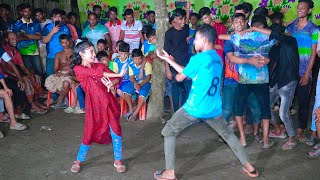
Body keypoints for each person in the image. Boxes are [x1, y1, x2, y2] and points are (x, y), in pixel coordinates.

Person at [154, 24, 259, 180]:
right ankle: (249, 167)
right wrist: (170, 60)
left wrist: (168, 62)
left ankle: (169, 172)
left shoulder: (198, 58)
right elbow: (195, 74)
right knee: (228, 135)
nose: (194, 42)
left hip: (194, 108)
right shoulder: (217, 58)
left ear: (203, 40)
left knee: (168, 132)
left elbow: (179, 77)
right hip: (214, 108)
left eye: (196, 39)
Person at [219, 14, 275, 148]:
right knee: (257, 108)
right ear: (233, 24)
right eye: (236, 22)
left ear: (246, 23)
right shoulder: (260, 37)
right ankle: (262, 139)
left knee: (248, 108)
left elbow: (222, 38)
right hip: (240, 79)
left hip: (245, 79)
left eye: (241, 21)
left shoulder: (236, 38)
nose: (239, 24)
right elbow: (276, 37)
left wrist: (267, 59)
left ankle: (250, 138)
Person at [70, 40, 126, 173]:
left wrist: (113, 82)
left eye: (93, 50)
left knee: (116, 130)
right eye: (91, 51)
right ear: (81, 54)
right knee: (89, 132)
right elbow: (98, 74)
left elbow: (118, 80)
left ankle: (118, 160)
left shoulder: (99, 65)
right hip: (94, 107)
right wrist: (118, 74)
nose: (94, 53)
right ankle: (79, 160)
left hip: (109, 103)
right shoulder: (78, 69)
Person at [250, 25, 300, 150]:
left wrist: (255, 29)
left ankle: (292, 138)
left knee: (283, 114)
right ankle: (279, 129)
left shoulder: (291, 41)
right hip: (276, 81)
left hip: (288, 82)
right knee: (266, 108)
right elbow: (271, 62)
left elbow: (276, 35)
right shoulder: (275, 47)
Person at [286, 0, 318, 143]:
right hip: (290, 71)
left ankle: (300, 130)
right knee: (287, 101)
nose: (299, 10)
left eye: (303, 8)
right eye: (298, 7)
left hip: (305, 71)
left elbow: (313, 54)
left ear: (309, 10)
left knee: (303, 103)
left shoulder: (314, 29)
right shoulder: (291, 27)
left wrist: (307, 74)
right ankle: (287, 130)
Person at [2, 32, 46, 114]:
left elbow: (22, 66)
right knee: (26, 82)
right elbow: (5, 70)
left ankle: (35, 101)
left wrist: (30, 74)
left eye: (16, 38)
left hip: (16, 74)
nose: (15, 40)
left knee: (36, 77)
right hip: (6, 76)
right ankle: (32, 105)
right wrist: (20, 77)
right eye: (12, 39)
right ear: (6, 40)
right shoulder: (5, 50)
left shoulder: (15, 50)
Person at [164, 8, 191, 112]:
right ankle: (176, 113)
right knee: (175, 90)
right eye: (181, 19)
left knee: (187, 89)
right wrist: (167, 70)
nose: (183, 21)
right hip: (173, 65)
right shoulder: (169, 34)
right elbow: (165, 53)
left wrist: (187, 7)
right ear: (174, 19)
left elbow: (188, 19)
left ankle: (186, 112)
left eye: (184, 19)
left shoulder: (186, 28)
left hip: (186, 64)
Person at [13, 3, 43, 77]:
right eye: (25, 11)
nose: (28, 13)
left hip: (34, 51)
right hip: (22, 51)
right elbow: (16, 38)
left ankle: (41, 87)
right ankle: (34, 88)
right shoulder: (17, 24)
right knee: (29, 72)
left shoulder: (35, 23)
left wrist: (25, 35)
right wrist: (32, 36)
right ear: (22, 12)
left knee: (39, 71)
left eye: (29, 11)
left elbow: (39, 37)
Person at [45, 34, 75, 110]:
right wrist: (58, 73)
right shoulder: (58, 54)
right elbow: (55, 68)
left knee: (66, 83)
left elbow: (77, 67)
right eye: (63, 42)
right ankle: (64, 96)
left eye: (67, 42)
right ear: (60, 43)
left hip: (71, 74)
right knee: (48, 81)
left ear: (69, 41)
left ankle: (60, 99)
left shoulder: (75, 52)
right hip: (61, 74)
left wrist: (70, 73)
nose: (66, 44)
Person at [123, 49, 152, 121]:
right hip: (136, 82)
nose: (138, 61)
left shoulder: (147, 64)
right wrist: (135, 83)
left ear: (142, 58)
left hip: (145, 82)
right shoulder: (131, 65)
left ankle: (135, 113)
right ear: (132, 58)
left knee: (142, 93)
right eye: (135, 59)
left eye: (139, 59)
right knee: (126, 90)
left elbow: (148, 77)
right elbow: (131, 77)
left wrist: (140, 85)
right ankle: (130, 108)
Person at [42, 8, 71, 77]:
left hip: (64, 56)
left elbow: (69, 41)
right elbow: (44, 41)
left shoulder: (65, 27)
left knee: (66, 75)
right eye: (55, 17)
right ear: (52, 18)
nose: (58, 19)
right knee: (50, 75)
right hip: (52, 56)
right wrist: (52, 32)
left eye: (59, 16)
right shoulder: (47, 27)